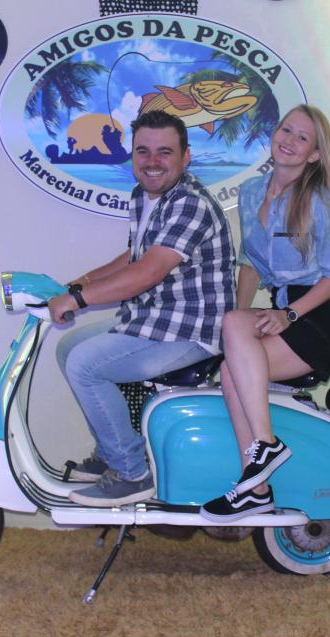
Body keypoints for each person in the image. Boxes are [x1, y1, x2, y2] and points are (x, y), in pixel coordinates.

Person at [49, 110, 235, 507]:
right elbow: (136, 256)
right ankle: (111, 452)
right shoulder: (145, 196)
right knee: (68, 348)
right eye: (143, 151)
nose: (152, 161)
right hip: (155, 318)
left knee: (85, 364)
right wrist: (80, 282)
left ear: (186, 156)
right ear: (132, 154)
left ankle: (132, 473)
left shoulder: (190, 204)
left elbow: (148, 272)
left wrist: (78, 299)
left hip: (190, 331)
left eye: (165, 152)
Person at [200, 104, 330, 521]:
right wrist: (236, 331)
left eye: (302, 137)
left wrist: (289, 315)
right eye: (286, 130)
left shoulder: (319, 201)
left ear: (315, 154)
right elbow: (250, 265)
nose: (289, 140)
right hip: (284, 307)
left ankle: (266, 445)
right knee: (231, 365)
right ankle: (256, 488)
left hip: (321, 315)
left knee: (234, 348)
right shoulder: (252, 192)